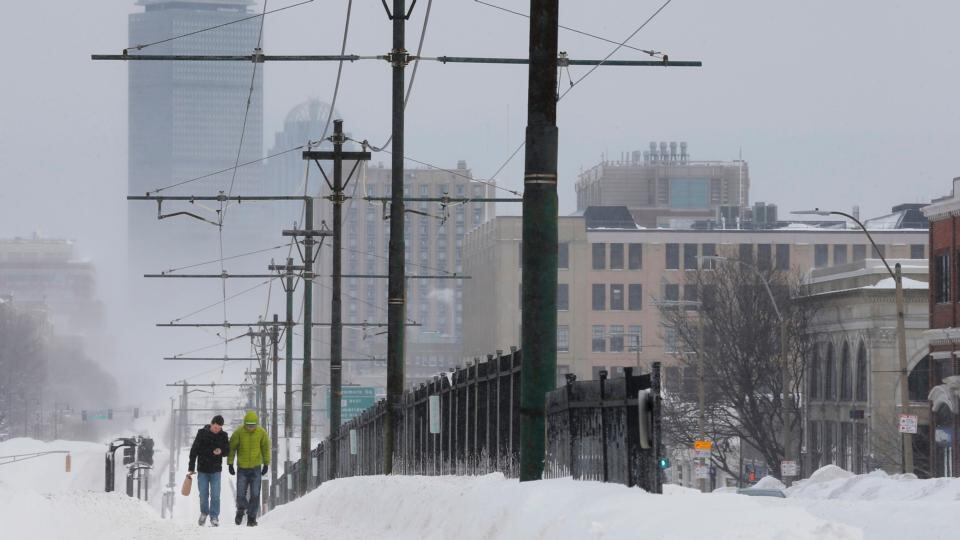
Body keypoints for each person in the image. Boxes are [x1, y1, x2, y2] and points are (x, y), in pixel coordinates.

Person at [228, 410, 270, 527]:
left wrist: (266, 464)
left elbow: (266, 448)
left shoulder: (261, 433)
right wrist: (230, 464)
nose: (250, 428)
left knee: (255, 494)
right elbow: (232, 448)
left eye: (253, 425)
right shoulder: (238, 433)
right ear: (245, 424)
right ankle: (241, 510)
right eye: (248, 425)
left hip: (256, 468)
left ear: (256, 424)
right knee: (241, 494)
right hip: (242, 468)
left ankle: (251, 518)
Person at [188, 415, 230, 527]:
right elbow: (194, 450)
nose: (217, 430)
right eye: (215, 427)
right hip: (202, 469)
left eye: (219, 428)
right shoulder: (202, 433)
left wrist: (220, 451)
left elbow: (227, 450)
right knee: (203, 494)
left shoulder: (223, 435)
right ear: (211, 424)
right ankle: (204, 512)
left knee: (215, 495)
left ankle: (214, 517)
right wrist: (191, 467)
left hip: (216, 470)